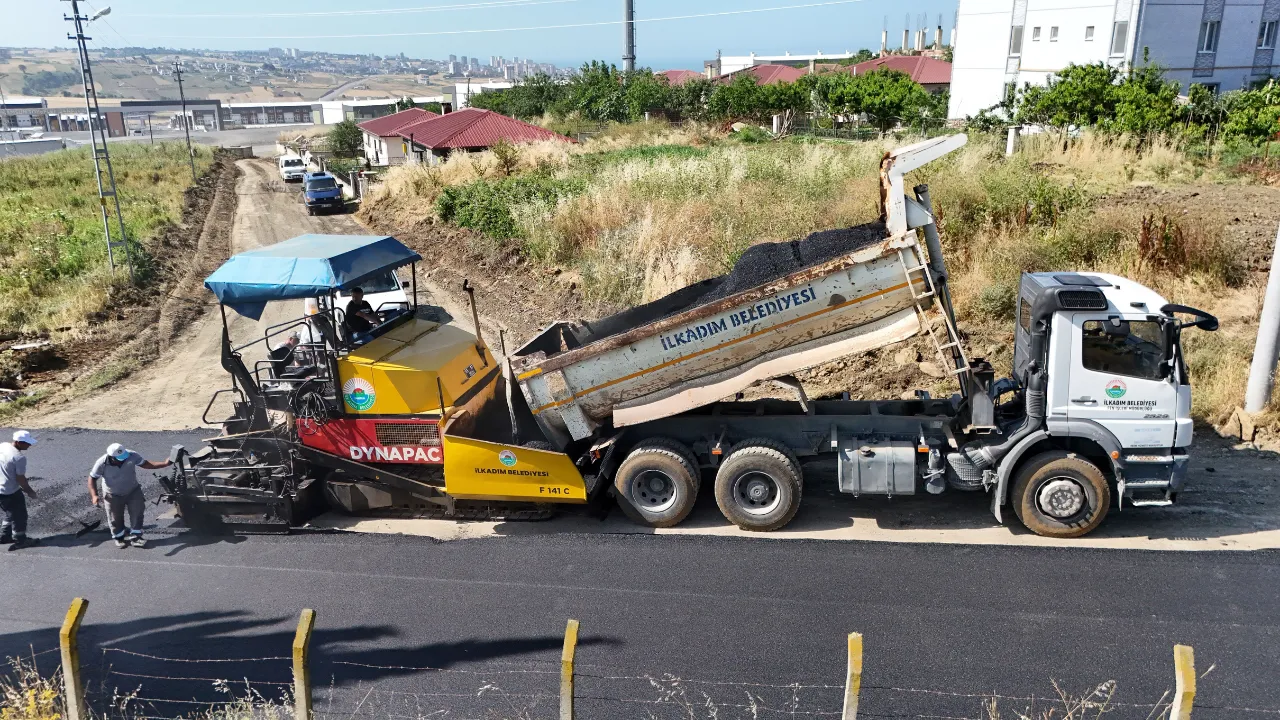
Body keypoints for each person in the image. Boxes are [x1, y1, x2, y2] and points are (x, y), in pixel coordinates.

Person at [88, 443, 172, 549]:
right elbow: (92, 478)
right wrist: (94, 495)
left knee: (137, 512)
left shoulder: (131, 455)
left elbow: (146, 464)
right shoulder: (101, 463)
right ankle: (119, 537)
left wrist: (164, 464)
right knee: (115, 518)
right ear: (112, 457)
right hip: (113, 494)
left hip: (133, 490)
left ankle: (136, 537)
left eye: (124, 456)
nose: (123, 459)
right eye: (120, 458)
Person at [0, 430, 38, 551]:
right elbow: (20, 478)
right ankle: (20, 540)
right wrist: (29, 491)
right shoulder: (19, 457)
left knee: (9, 512)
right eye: (27, 443)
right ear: (18, 442)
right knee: (19, 515)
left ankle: (5, 536)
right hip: (9, 491)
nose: (29, 445)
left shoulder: (3, 446)